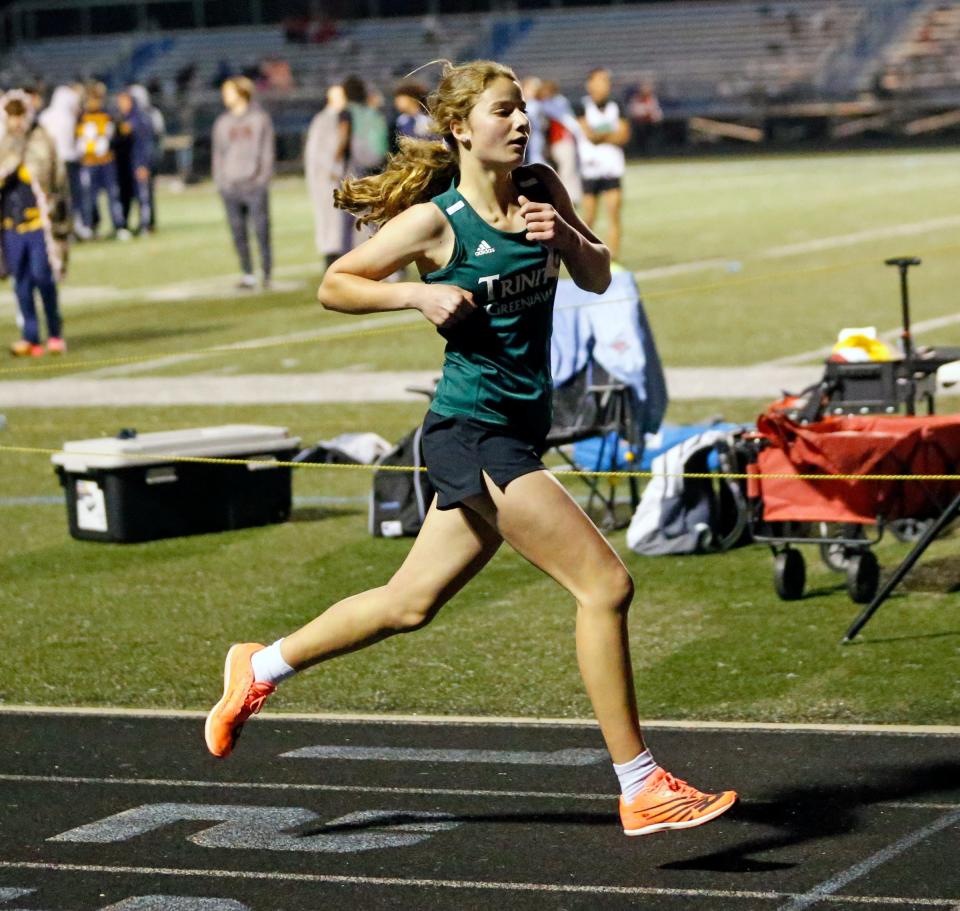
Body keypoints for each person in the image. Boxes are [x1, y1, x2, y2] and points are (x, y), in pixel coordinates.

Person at [204, 59, 737, 838]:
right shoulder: (437, 223)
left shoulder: (543, 188)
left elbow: (596, 277)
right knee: (605, 586)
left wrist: (571, 238)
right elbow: (337, 284)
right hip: (469, 432)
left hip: (519, 428)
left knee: (407, 603)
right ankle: (641, 783)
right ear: (460, 128)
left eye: (522, 110)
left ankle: (260, 666)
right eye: (502, 112)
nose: (520, 123)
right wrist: (415, 292)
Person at [0, 90, 70, 356]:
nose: (16, 122)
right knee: (21, 282)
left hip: (39, 223)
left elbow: (57, 180)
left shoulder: (42, 140)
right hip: (11, 224)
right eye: (11, 115)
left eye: (20, 115)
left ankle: (54, 331)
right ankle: (30, 336)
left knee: (43, 276)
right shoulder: (3, 143)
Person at [212, 76, 274, 290]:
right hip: (231, 186)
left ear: (241, 93)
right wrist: (221, 182)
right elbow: (218, 155)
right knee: (238, 232)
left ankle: (266, 272)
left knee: (261, 230)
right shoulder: (222, 122)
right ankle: (247, 273)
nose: (224, 96)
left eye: (228, 91)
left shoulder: (259, 119)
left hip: (254, 185)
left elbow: (267, 152)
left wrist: (261, 179)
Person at [576, 68, 629, 261]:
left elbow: (623, 135)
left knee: (614, 214)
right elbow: (589, 135)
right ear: (590, 84)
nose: (604, 85)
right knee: (587, 218)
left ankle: (612, 257)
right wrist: (609, 133)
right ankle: (586, 257)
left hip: (612, 168)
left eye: (606, 81)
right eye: (599, 81)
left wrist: (601, 134)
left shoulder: (617, 105)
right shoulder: (581, 106)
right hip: (590, 169)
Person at [304, 84, 354, 270]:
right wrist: (332, 169)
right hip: (328, 176)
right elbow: (324, 150)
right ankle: (332, 256)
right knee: (330, 219)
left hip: (328, 175)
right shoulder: (326, 119)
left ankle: (334, 254)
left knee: (333, 219)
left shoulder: (331, 118)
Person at [75, 81, 130, 240]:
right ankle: (90, 226)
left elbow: (117, 136)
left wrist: (109, 141)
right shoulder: (81, 118)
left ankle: (119, 225)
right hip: (89, 163)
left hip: (106, 162)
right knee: (89, 198)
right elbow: (78, 140)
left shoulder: (108, 116)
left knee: (113, 195)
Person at [38, 84, 82, 237]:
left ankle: (56, 226)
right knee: (70, 197)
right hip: (67, 162)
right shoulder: (67, 118)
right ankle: (72, 226)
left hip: (49, 163)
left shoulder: (45, 116)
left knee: (54, 197)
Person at [115, 87, 155, 235]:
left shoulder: (140, 118)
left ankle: (145, 224)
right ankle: (130, 224)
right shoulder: (122, 118)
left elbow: (145, 145)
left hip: (138, 164)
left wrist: (144, 164)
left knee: (143, 196)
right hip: (126, 166)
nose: (120, 104)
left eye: (123, 100)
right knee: (128, 196)